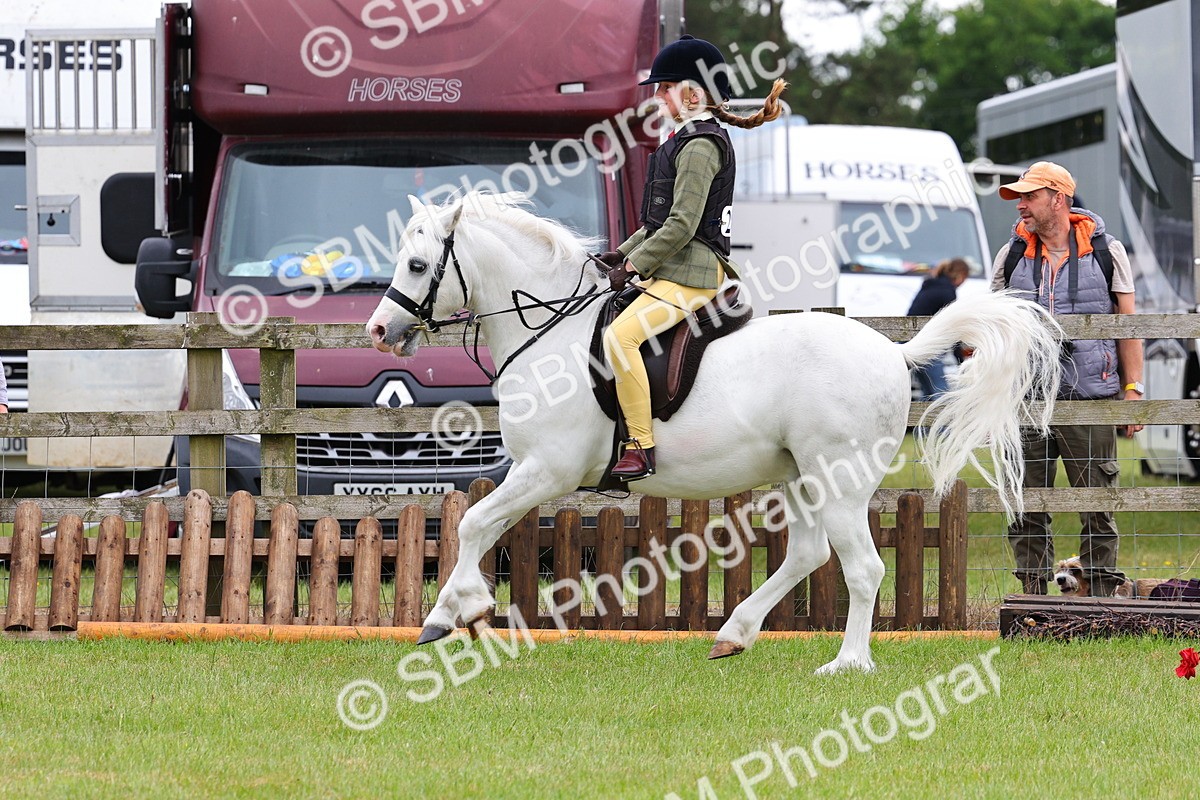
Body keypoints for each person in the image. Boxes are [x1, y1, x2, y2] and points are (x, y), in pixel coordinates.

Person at [597, 35, 787, 481]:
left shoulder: (701, 145)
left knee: (619, 339)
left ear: (693, 93)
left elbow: (682, 227)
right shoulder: (680, 142)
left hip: (693, 274)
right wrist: (616, 256)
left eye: (665, 88)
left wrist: (634, 267)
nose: (657, 96)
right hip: (673, 269)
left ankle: (641, 446)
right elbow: (655, 223)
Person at [991, 161, 1144, 596]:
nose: (1020, 204)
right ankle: (1031, 599)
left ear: (1059, 198)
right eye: (1019, 197)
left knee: (1098, 505)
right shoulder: (1012, 254)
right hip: (1024, 400)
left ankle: (1098, 599)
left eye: (1029, 196)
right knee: (1023, 504)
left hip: (1091, 399)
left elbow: (1127, 325)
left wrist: (1132, 391)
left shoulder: (1106, 251)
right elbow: (995, 328)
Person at [907, 257, 970, 400]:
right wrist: (960, 359)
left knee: (927, 395)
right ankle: (941, 423)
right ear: (961, 275)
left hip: (911, 345)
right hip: (928, 348)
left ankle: (923, 423)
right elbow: (953, 326)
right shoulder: (947, 292)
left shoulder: (930, 285)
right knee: (940, 397)